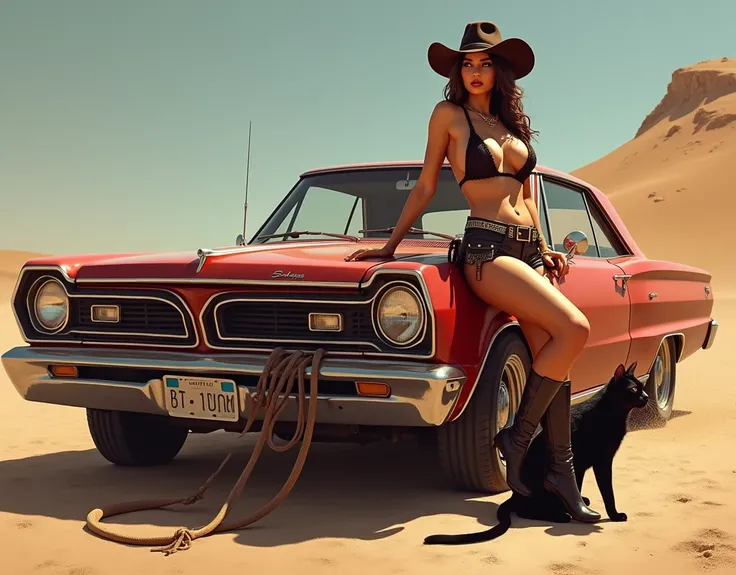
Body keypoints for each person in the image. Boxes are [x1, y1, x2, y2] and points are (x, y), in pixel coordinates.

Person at [345, 21, 600, 523]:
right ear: (457, 71)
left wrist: (545, 247)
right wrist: (388, 247)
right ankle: (517, 438)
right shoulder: (449, 115)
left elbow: (526, 196)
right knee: (575, 329)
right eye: (467, 63)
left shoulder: (513, 127)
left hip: (527, 252)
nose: (476, 71)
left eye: (485, 63)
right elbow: (422, 187)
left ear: (499, 71)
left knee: (556, 356)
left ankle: (560, 476)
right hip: (487, 252)